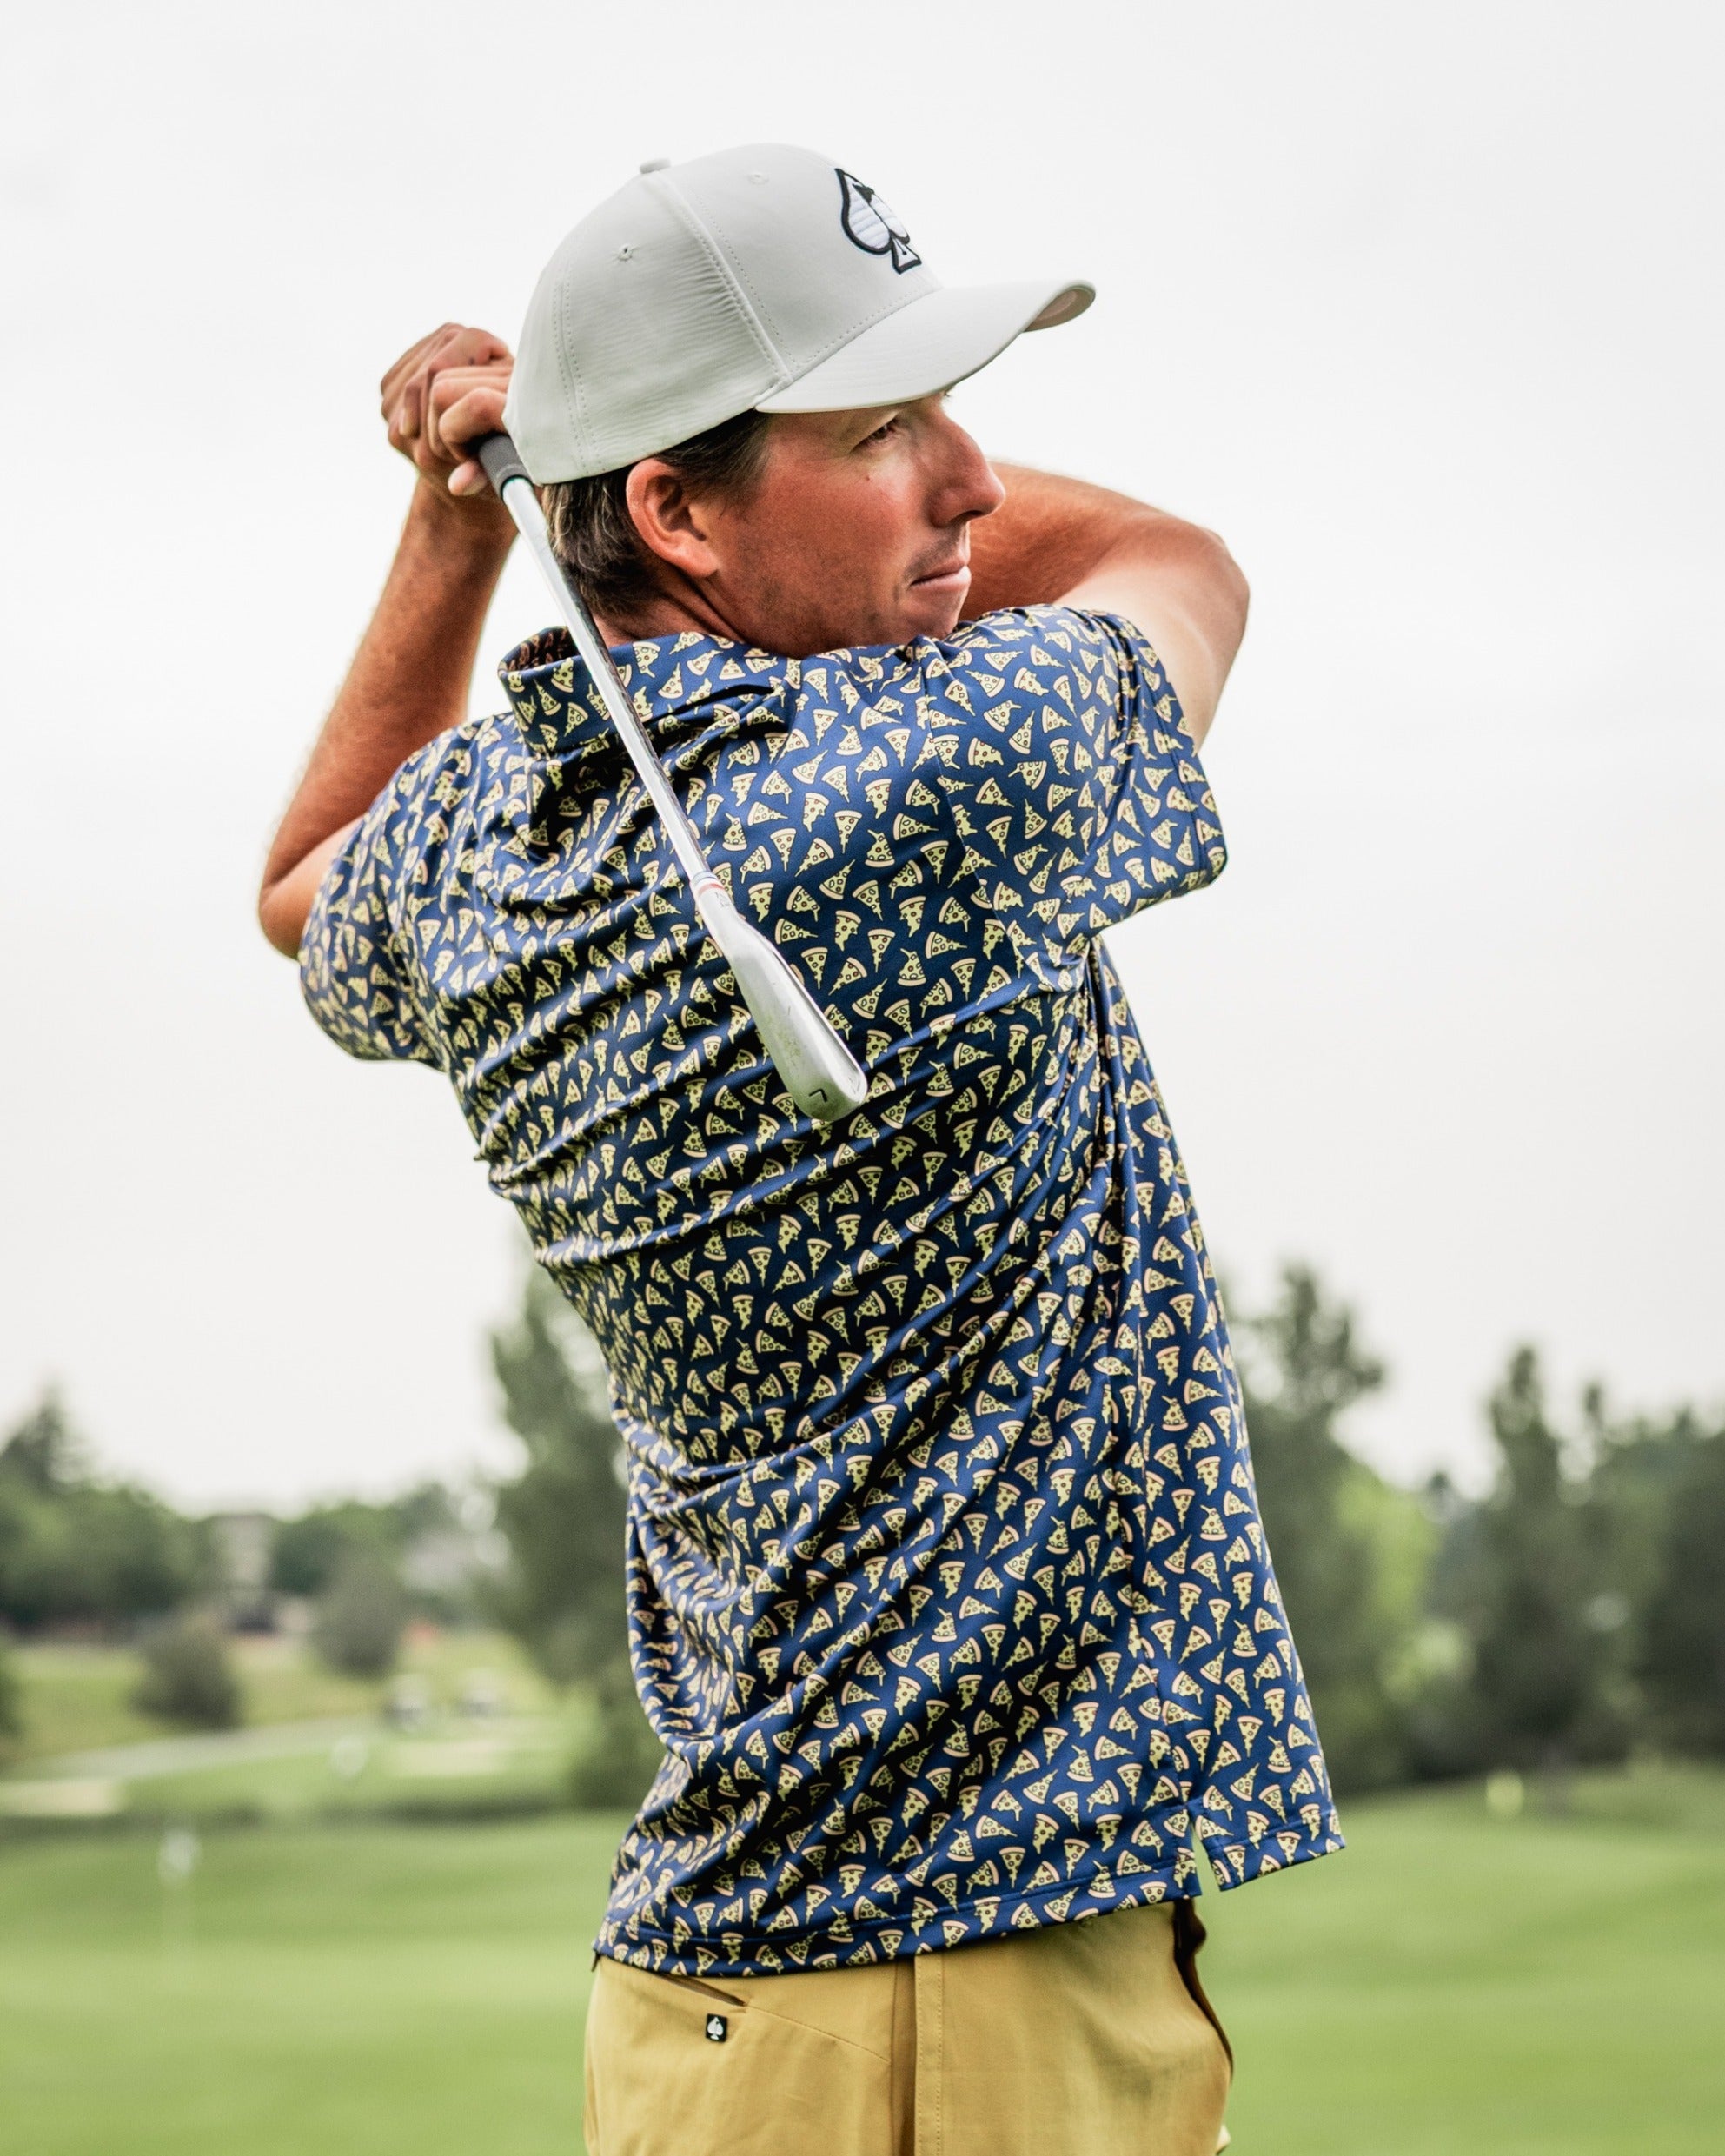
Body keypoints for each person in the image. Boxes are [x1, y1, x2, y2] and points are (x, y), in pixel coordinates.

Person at [260, 144, 1341, 2156]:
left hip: (711, 2003)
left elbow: (307, 881)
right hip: (966, 2001)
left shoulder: (477, 850)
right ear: (672, 506)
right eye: (881, 429)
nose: (973, 481)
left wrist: (454, 523)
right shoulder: (947, 762)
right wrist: (585, 484)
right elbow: (1183, 565)